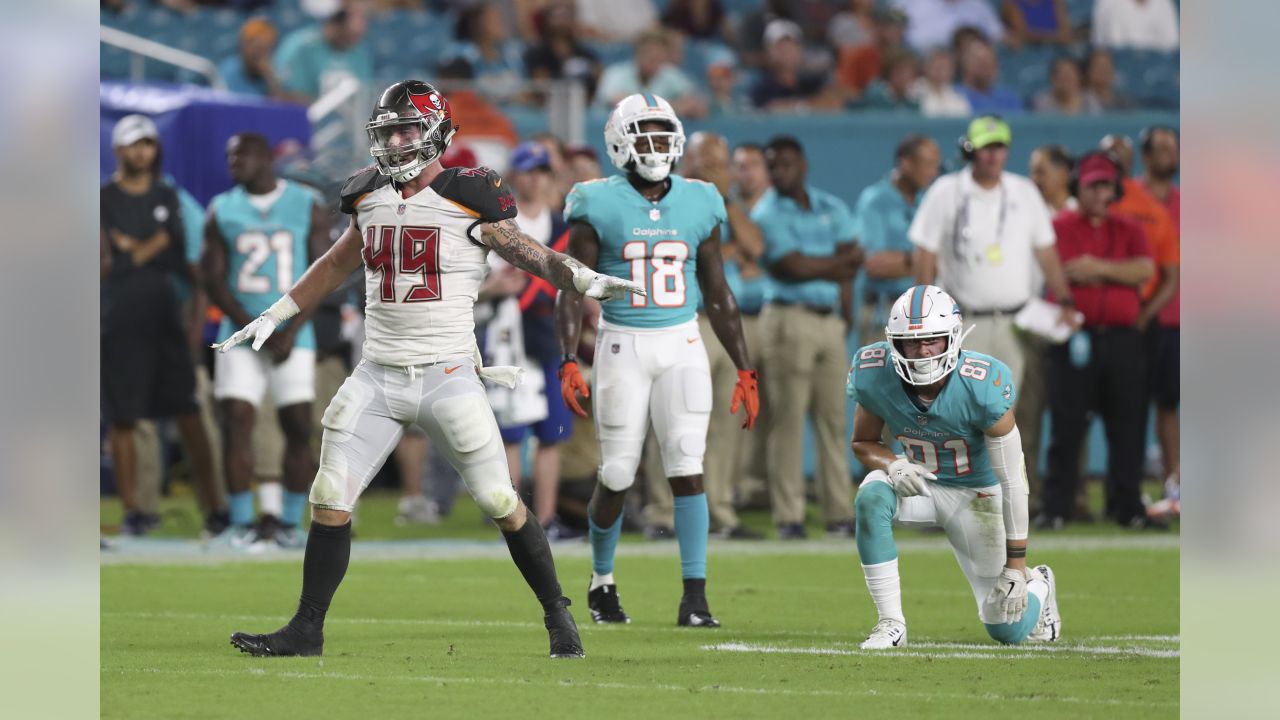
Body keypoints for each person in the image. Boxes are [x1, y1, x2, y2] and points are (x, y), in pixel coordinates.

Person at [221, 80, 646, 660]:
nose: (395, 142)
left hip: (447, 375)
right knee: (330, 494)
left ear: (438, 132)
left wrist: (580, 277)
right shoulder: (367, 196)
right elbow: (336, 261)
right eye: (388, 131)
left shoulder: (467, 195)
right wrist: (280, 310)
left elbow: (528, 253)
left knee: (501, 499)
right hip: (378, 372)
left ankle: (557, 614)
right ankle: (307, 629)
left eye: (406, 129)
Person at [555, 93, 760, 627]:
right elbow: (570, 288)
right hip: (622, 343)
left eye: (662, 133)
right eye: (643, 134)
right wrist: (566, 359)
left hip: (683, 343)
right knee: (619, 471)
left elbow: (717, 292)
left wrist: (744, 366)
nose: (656, 145)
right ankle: (602, 581)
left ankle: (695, 596)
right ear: (619, 142)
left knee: (688, 467)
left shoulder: (700, 200)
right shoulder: (595, 200)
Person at [847, 284, 1061, 648]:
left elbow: (1012, 481)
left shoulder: (982, 384)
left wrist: (1016, 564)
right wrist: (893, 463)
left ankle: (1039, 582)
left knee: (1006, 629)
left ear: (953, 337)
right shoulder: (875, 372)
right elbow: (863, 442)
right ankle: (890, 623)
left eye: (931, 340)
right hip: (921, 485)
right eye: (910, 342)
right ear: (893, 343)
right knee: (871, 496)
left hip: (977, 497)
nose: (922, 351)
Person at [201, 133, 328, 549]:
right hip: (239, 333)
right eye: (229, 154)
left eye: (241, 153)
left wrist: (286, 328)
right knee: (237, 421)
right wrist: (252, 324)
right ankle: (241, 523)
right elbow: (213, 278)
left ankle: (289, 523)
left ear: (266, 157)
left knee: (297, 425)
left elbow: (322, 273)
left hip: (294, 332)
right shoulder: (221, 208)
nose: (233, 160)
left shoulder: (307, 202)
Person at [101, 114, 220, 536]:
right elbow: (102, 266)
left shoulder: (169, 196)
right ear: (117, 149)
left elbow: (184, 260)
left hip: (166, 320)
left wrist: (128, 249)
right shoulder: (101, 199)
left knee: (189, 412)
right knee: (124, 419)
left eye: (148, 143)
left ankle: (216, 508)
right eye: (133, 144)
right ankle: (135, 510)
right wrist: (148, 247)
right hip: (116, 322)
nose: (141, 152)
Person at [910, 115, 1077, 393]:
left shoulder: (1024, 192)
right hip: (963, 321)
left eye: (999, 148)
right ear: (971, 150)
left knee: (1005, 414)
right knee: (960, 411)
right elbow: (926, 254)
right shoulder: (946, 191)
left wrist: (1065, 300)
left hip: (1015, 323)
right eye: (986, 148)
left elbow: (1046, 253)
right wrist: (925, 317)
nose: (993, 156)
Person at [753, 135, 862, 539]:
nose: (779, 172)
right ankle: (790, 515)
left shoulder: (831, 206)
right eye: (773, 165)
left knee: (834, 420)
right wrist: (838, 264)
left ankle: (838, 512)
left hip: (830, 320)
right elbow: (790, 268)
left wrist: (845, 315)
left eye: (785, 164)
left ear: (803, 165)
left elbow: (853, 264)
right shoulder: (766, 213)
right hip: (788, 318)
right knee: (788, 420)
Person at [1041, 151, 1155, 529]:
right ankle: (1057, 508)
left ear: (1115, 189)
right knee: (1067, 426)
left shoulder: (1129, 228)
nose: (1099, 193)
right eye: (1092, 185)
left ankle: (1127, 508)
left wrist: (1099, 268)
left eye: (1106, 185)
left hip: (1123, 340)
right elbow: (1067, 271)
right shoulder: (1060, 226)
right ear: (1079, 188)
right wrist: (1115, 274)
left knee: (1128, 426)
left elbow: (1145, 269)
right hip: (1075, 337)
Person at [853, 135, 940, 349]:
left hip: (923, 314)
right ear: (906, 164)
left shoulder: (929, 200)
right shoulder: (874, 200)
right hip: (883, 313)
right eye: (928, 165)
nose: (934, 173)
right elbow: (875, 264)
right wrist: (926, 260)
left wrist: (903, 261)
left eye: (936, 166)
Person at [1137, 126, 1180, 508]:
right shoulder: (1130, 199)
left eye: (1174, 148)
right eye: (1163, 148)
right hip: (1142, 319)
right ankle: (1134, 484)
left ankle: (1175, 484)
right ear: (1146, 156)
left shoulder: (1187, 202)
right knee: (1134, 403)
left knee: (1172, 402)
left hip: (1182, 316)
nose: (1171, 154)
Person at [273, 0, 373, 103]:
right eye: (348, 37)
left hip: (349, 117)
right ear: (334, 25)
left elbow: (364, 93)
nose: (352, 43)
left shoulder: (358, 52)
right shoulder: (300, 48)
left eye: (357, 37)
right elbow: (285, 94)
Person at [594, 30, 706, 118]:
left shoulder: (669, 73)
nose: (655, 62)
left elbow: (696, 105)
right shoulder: (615, 73)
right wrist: (671, 107)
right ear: (638, 54)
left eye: (659, 57)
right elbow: (619, 102)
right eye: (650, 56)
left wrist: (648, 108)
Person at [893, 0, 1003, 54]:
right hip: (918, 65)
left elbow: (1000, 38)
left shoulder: (978, 7)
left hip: (966, 71)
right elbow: (891, 25)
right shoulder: (914, 3)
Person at [218, 17, 289, 100]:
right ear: (243, 46)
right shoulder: (228, 69)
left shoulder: (271, 74)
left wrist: (270, 78)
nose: (260, 55)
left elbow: (279, 106)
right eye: (257, 48)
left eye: (266, 49)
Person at [957, 36, 1024, 115]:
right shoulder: (955, 96)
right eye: (980, 62)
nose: (986, 67)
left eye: (990, 62)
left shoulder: (1010, 98)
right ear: (965, 63)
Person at [1091, 0, 1179, 51]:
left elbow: (1172, 44)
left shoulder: (1165, 4)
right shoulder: (1108, 3)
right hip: (1120, 64)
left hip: (1157, 66)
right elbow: (1104, 44)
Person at [909, 47, 971, 117]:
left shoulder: (958, 95)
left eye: (944, 67)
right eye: (937, 66)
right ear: (926, 67)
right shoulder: (915, 90)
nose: (940, 71)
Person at [1032, 56, 1102, 115]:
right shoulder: (1043, 101)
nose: (1066, 82)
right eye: (1062, 77)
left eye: (1069, 77)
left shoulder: (1089, 100)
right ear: (1053, 79)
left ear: (1079, 78)